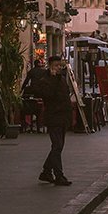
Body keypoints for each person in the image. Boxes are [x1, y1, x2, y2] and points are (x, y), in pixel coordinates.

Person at [31, 55, 73, 186]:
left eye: (60, 65)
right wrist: (54, 79)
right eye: (56, 66)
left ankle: (46, 171)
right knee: (57, 146)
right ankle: (59, 175)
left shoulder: (62, 79)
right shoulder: (45, 80)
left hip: (63, 117)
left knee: (58, 147)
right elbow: (47, 95)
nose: (59, 68)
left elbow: (66, 96)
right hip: (53, 117)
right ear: (50, 66)